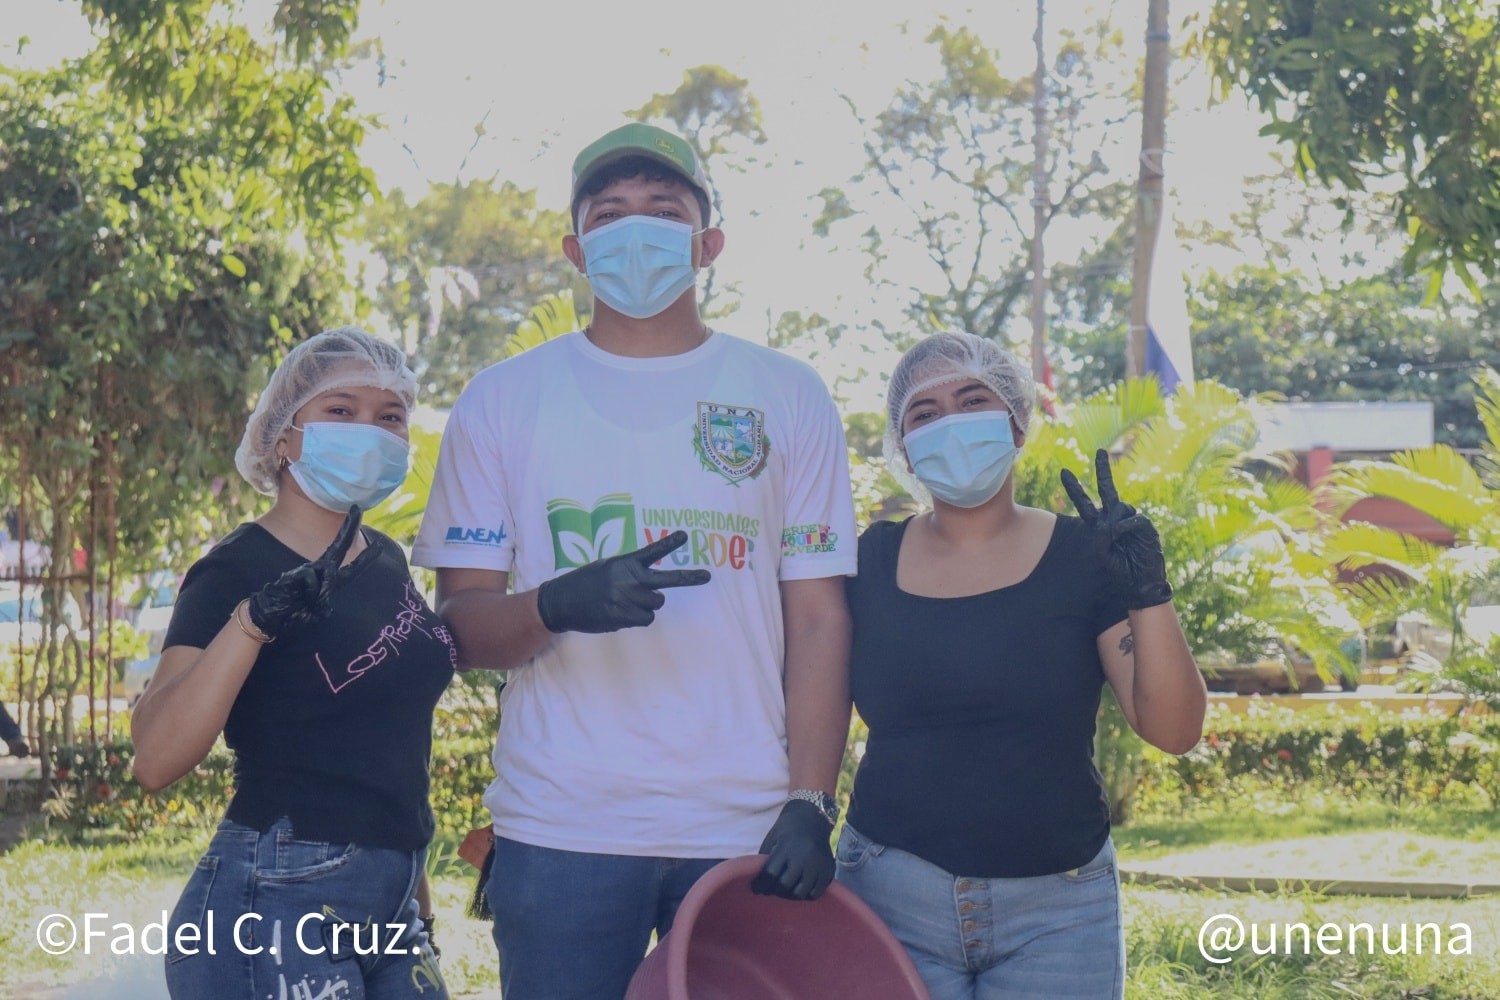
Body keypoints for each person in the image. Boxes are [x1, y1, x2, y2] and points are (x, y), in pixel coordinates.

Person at [411, 122, 857, 1000]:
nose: (636, 228)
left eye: (664, 209)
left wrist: (810, 802)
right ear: (576, 249)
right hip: (561, 828)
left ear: (709, 242)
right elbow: (459, 627)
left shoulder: (787, 394)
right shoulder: (503, 400)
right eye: (610, 213)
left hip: (746, 828)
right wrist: (556, 605)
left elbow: (819, 615)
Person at [835, 332, 1207, 1000]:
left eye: (971, 399)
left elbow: (1173, 729)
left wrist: (1148, 591)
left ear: (1014, 420)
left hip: (1060, 910)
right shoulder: (867, 562)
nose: (949, 423)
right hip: (889, 895)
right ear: (904, 448)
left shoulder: (1084, 556)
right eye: (925, 413)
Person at [131, 327, 454, 1000]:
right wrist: (252, 623)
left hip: (391, 904)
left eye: (389, 416)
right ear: (284, 436)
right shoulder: (233, 570)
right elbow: (156, 758)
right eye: (341, 411)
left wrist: (419, 907)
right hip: (274, 900)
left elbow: (393, 743)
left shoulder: (389, 559)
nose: (370, 430)